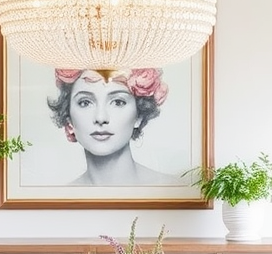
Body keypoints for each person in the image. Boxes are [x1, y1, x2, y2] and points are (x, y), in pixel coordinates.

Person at [47, 67, 177, 186]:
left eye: (118, 102)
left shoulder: (173, 189)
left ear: (139, 116)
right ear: (69, 120)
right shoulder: (56, 199)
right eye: (85, 102)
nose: (100, 118)